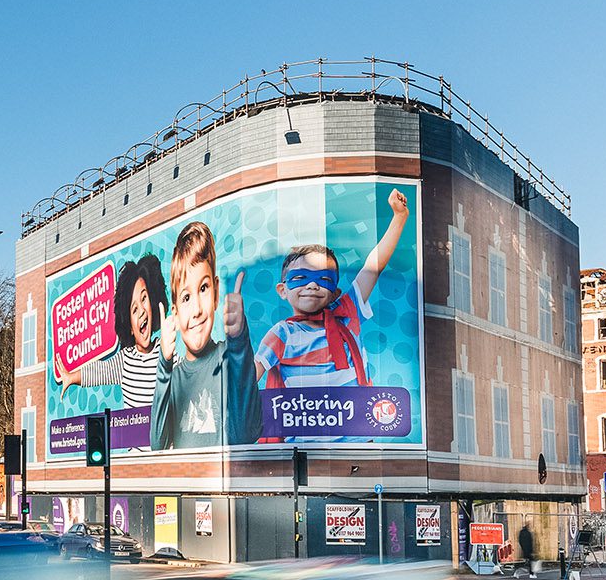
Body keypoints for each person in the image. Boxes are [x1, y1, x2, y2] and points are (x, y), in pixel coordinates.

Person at [254, 189, 412, 439]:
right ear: (282, 290)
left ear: (335, 291)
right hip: (303, 448)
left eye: (323, 279)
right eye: (300, 278)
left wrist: (399, 217)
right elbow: (248, 381)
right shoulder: (282, 334)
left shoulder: (348, 313)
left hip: (358, 443)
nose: (312, 285)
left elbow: (373, 266)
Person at [149, 221, 262, 450]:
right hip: (185, 485)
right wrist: (164, 363)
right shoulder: (175, 376)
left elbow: (244, 433)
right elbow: (157, 443)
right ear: (176, 311)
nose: (197, 310)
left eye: (203, 288)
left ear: (216, 293)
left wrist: (239, 341)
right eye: (186, 298)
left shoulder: (227, 358)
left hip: (223, 485)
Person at [56, 253, 168, 410]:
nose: (142, 311)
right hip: (135, 432)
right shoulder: (125, 360)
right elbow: (100, 371)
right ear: (129, 325)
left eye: (144, 299)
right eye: (134, 309)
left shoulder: (166, 352)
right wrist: (71, 377)